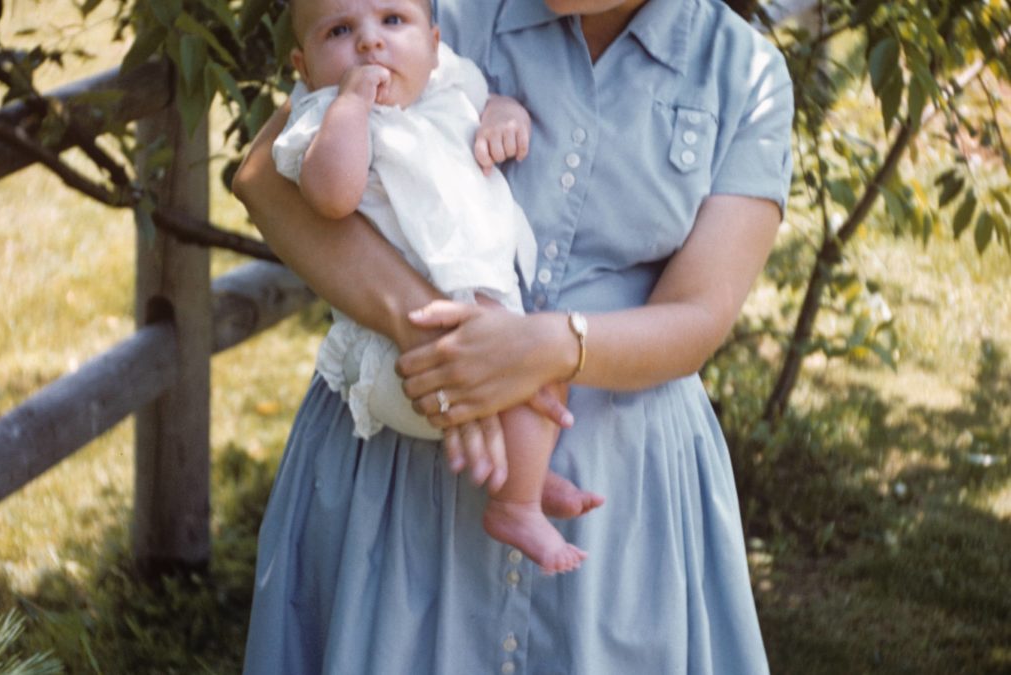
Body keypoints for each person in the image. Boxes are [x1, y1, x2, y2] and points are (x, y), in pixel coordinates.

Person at [235, 0, 794, 672]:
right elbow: (267, 175)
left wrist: (552, 347)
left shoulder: (745, 74)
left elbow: (699, 314)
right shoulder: (433, 11)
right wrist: (439, 341)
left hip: (620, 511)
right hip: (403, 482)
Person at [274, 0, 601, 573]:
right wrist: (351, 106)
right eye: (340, 31)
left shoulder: (449, 80)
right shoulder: (323, 116)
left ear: (433, 38)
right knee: (509, 382)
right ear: (303, 66)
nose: (370, 44)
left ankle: (518, 490)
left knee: (542, 370)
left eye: (392, 22)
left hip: (488, 312)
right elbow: (331, 196)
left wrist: (503, 115)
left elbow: (488, 101)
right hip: (396, 347)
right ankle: (517, 498)